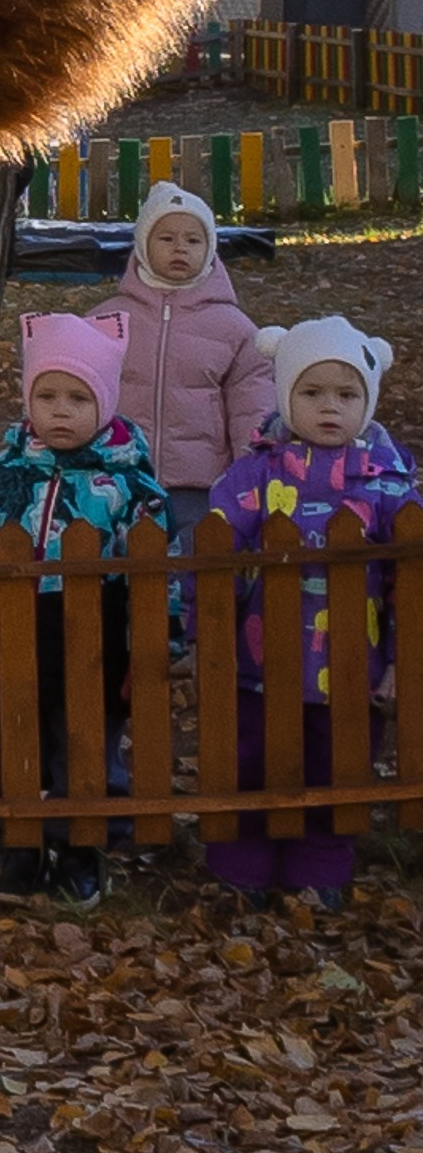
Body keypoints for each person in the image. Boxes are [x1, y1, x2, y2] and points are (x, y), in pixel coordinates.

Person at [199, 316, 416, 907]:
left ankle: (319, 872)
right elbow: (212, 556)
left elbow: (408, 582)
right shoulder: (254, 476)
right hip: (260, 661)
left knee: (337, 768)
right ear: (285, 395)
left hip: (351, 667)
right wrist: (198, 632)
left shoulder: (389, 485)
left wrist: (400, 660)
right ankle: (241, 868)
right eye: (311, 392)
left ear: (367, 401)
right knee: (251, 760)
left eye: (346, 395)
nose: (329, 408)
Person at [0, 310, 171, 901]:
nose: (60, 410)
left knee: (82, 751)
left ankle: (80, 852)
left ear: (103, 405)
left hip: (91, 638)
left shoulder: (130, 488)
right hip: (9, 630)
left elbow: (157, 570)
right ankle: (20, 849)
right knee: (9, 745)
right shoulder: (2, 476)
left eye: (78, 398)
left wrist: (162, 633)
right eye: (46, 395)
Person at [91, 181, 271, 543]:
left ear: (210, 249)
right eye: (166, 238)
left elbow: (253, 409)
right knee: (124, 568)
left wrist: (250, 474)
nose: (180, 248)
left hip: (200, 483)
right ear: (142, 245)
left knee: (194, 569)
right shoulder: (107, 321)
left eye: (193, 240)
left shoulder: (234, 329)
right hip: (118, 478)